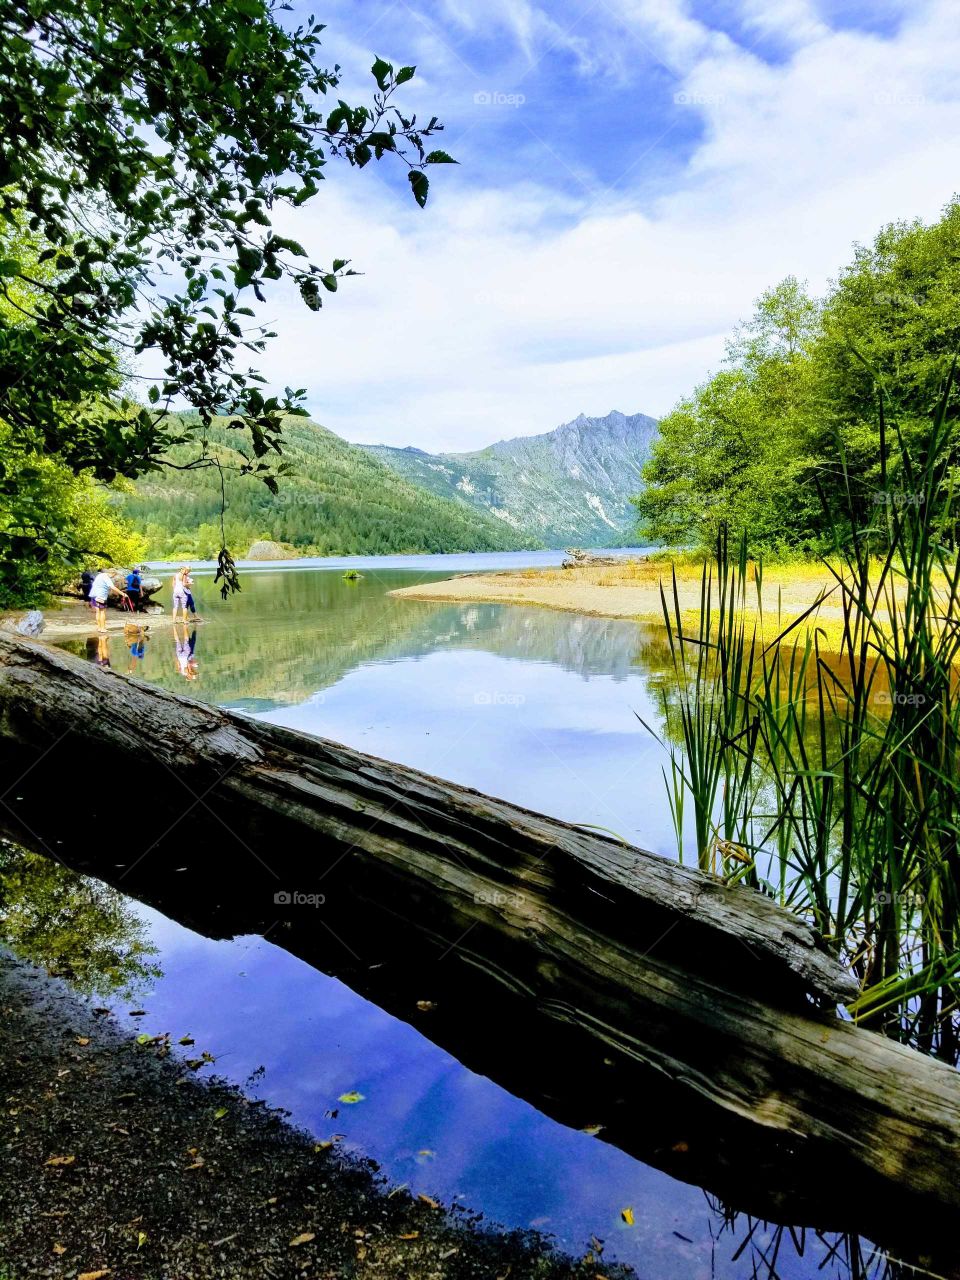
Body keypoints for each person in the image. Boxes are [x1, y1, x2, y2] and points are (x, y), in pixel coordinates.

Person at [88, 568, 127, 632]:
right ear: (113, 573)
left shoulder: (100, 575)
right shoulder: (107, 578)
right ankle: (103, 628)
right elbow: (112, 587)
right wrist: (123, 594)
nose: (113, 577)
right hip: (101, 596)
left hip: (93, 595)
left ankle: (99, 628)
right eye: (114, 576)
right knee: (102, 611)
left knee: (98, 612)